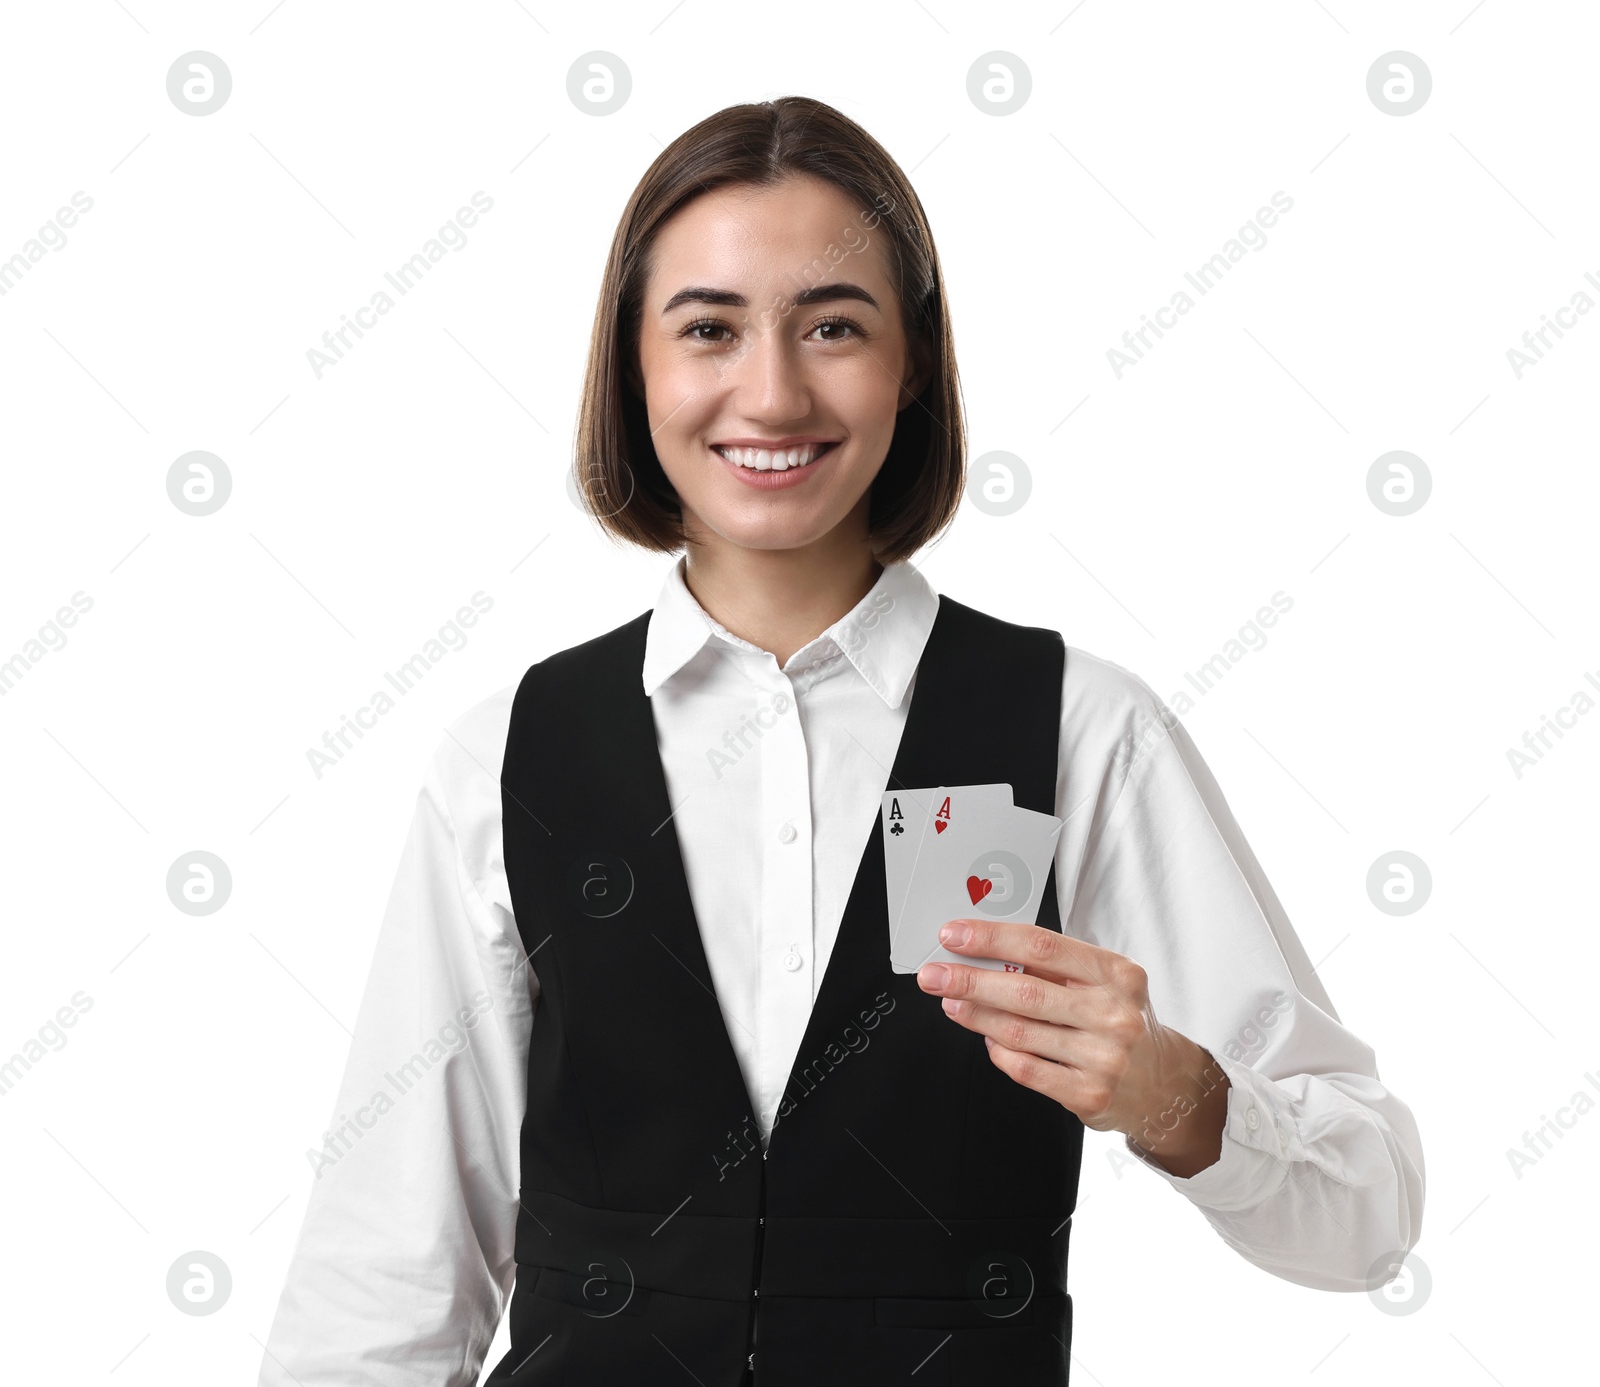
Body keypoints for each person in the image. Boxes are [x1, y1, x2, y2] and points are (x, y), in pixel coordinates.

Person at [256, 96, 1424, 1386]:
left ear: (912, 363)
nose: (772, 390)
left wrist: (1171, 1093)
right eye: (708, 329)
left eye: (833, 328)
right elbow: (386, 1275)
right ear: (633, 365)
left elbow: (1369, 1219)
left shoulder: (1083, 730)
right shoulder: (504, 759)